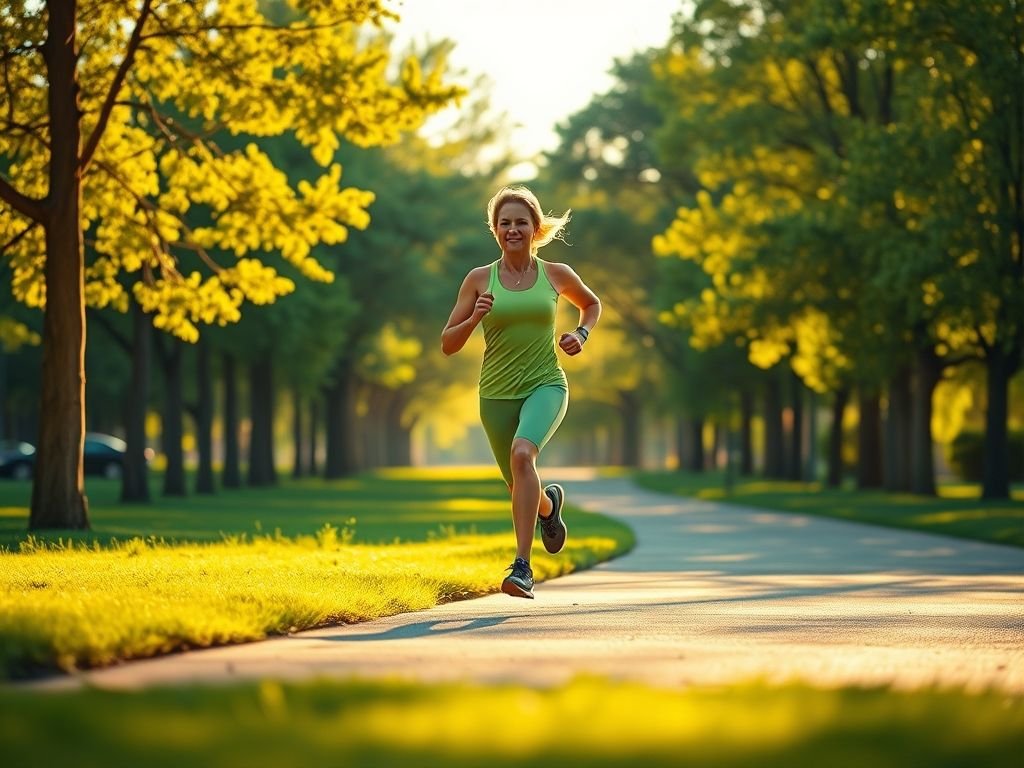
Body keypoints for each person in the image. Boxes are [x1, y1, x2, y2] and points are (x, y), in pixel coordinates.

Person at [441, 185, 601, 599]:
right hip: (495, 394)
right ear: (495, 230)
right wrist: (474, 317)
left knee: (522, 455)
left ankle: (522, 568)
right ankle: (549, 506)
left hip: (545, 384)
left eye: (521, 222)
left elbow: (591, 304)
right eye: (505, 223)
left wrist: (581, 333)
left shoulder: (555, 274)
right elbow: (448, 343)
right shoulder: (479, 279)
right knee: (519, 486)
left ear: (535, 228)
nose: (513, 229)